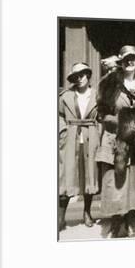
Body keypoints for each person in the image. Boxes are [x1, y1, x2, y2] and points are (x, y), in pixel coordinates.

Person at [95, 45, 135, 238]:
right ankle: (117, 222)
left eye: (133, 58)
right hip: (116, 140)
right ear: (120, 61)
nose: (130, 62)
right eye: (126, 59)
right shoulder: (109, 83)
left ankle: (132, 221)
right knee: (115, 182)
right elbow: (101, 114)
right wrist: (122, 123)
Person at [58, 62, 100, 233]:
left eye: (83, 74)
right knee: (66, 176)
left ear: (88, 75)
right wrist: (63, 132)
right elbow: (59, 115)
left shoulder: (97, 95)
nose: (80, 78)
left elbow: (103, 116)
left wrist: (99, 133)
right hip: (71, 137)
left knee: (89, 175)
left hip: (90, 137)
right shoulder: (65, 96)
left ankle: (87, 213)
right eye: (76, 76)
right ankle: (60, 217)